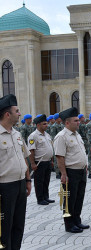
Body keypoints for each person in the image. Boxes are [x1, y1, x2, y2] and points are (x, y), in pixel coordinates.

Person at [0, 94, 32, 249]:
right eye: (17, 111)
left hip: (20, 184)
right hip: (5, 187)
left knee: (19, 225)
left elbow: (24, 157)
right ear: (8, 114)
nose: (19, 114)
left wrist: (27, 180)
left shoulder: (17, 134)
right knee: (5, 226)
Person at [53, 107, 89, 233]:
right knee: (69, 200)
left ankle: (77, 220)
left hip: (81, 171)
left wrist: (85, 165)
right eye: (75, 121)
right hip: (70, 172)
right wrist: (63, 174)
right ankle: (69, 224)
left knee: (79, 197)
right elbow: (60, 157)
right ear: (67, 123)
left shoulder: (77, 134)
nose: (78, 122)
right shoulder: (61, 137)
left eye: (78, 120)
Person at [28, 114, 54, 205]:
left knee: (46, 180)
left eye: (46, 124)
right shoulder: (33, 136)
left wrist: (51, 160)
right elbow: (31, 151)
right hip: (39, 162)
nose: (46, 125)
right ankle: (40, 199)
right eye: (44, 124)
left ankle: (46, 197)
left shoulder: (47, 134)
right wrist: (32, 164)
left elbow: (50, 147)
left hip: (47, 161)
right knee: (39, 181)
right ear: (38, 125)